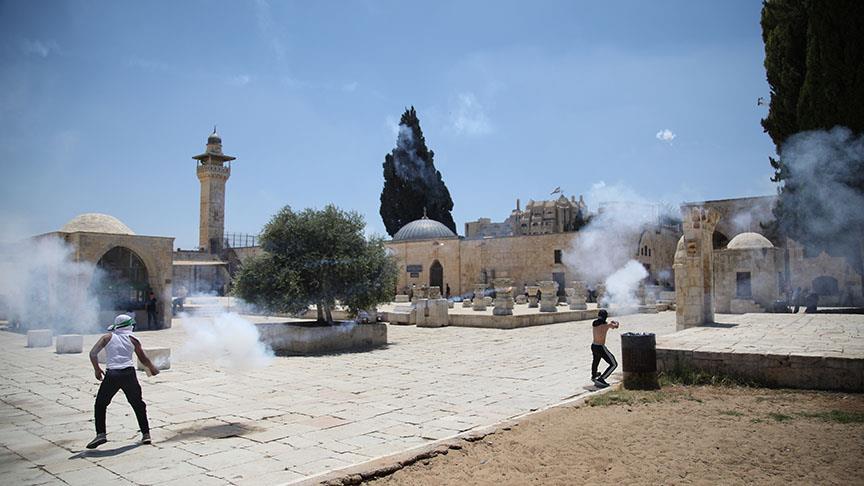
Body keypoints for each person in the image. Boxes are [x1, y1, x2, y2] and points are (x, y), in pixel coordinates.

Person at [86, 314, 159, 449]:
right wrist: (152, 368)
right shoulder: (133, 339)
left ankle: (101, 434)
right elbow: (143, 358)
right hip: (129, 374)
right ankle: (146, 434)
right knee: (138, 404)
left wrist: (97, 369)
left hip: (112, 374)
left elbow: (92, 353)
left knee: (100, 404)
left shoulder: (107, 337)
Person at [590, 309, 620, 388]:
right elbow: (616, 326)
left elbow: (600, 322)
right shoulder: (606, 325)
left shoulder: (594, 323)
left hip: (593, 346)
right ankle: (601, 379)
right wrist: (615, 322)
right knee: (614, 364)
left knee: (596, 360)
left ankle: (594, 375)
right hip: (600, 347)